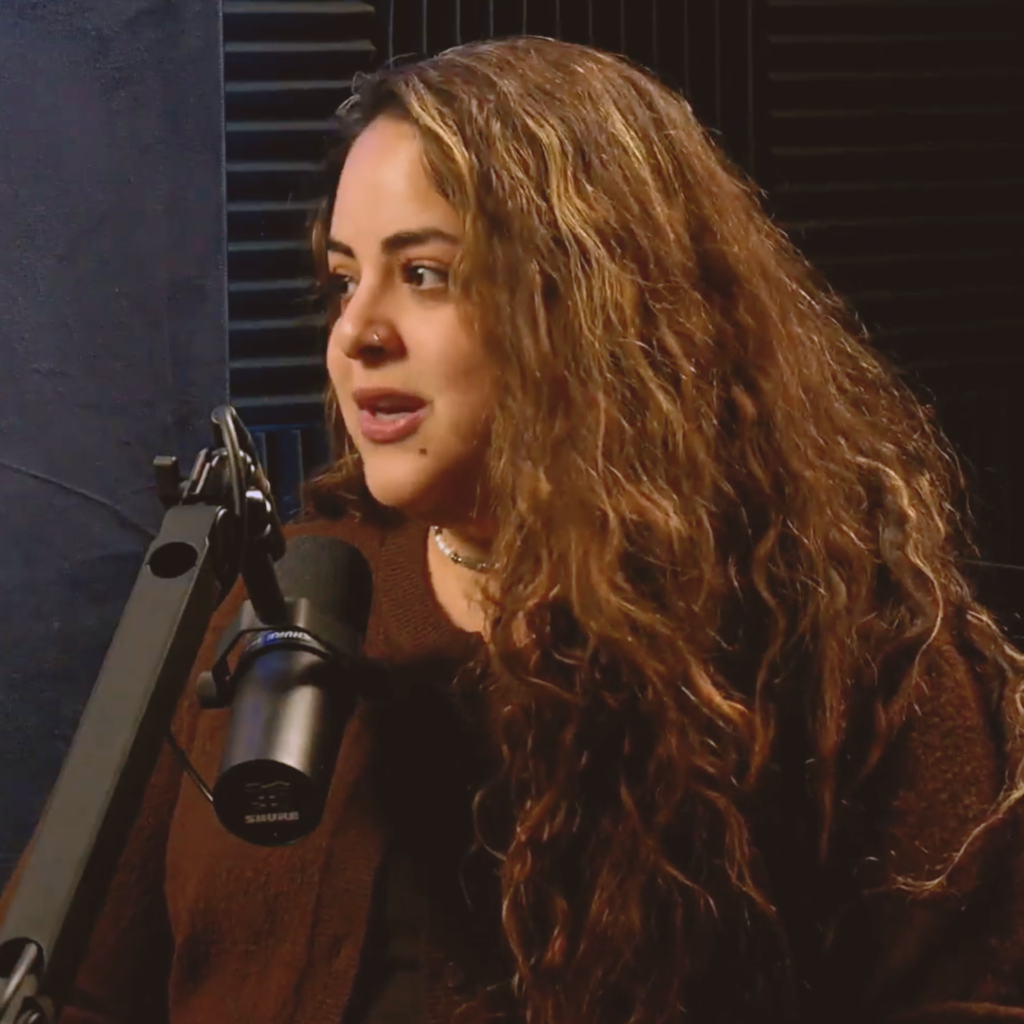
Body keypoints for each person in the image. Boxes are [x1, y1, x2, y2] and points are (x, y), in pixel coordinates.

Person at [2, 33, 1024, 1024]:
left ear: (595, 302)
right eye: (344, 279)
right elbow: (73, 987)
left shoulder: (855, 652)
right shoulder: (277, 605)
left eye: (427, 273)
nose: (356, 333)